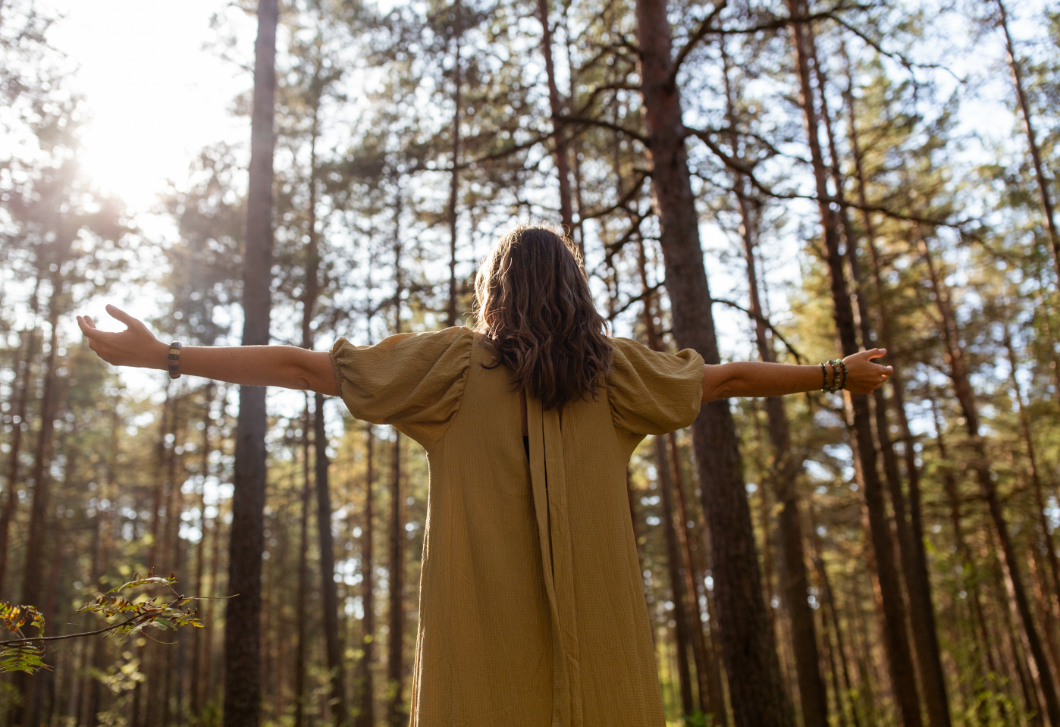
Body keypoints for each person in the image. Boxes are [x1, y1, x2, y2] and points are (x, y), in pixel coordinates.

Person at [78, 225, 891, 726]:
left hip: (480, 673)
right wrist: (830, 373)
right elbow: (729, 379)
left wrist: (168, 354)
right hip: (604, 669)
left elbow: (304, 365)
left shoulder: (454, 368)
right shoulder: (616, 376)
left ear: (493, 293)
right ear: (575, 291)